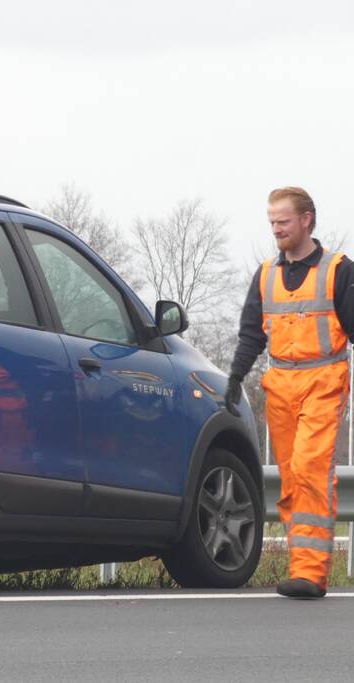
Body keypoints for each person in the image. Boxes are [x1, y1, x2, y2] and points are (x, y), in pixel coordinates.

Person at [226, 186, 354, 598]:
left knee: (311, 469)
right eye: (272, 222)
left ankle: (311, 573)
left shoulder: (339, 270)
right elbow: (250, 334)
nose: (276, 229)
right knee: (290, 479)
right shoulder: (266, 275)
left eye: (283, 221)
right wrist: (234, 378)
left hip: (324, 381)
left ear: (306, 220)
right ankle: (302, 565)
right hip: (280, 385)